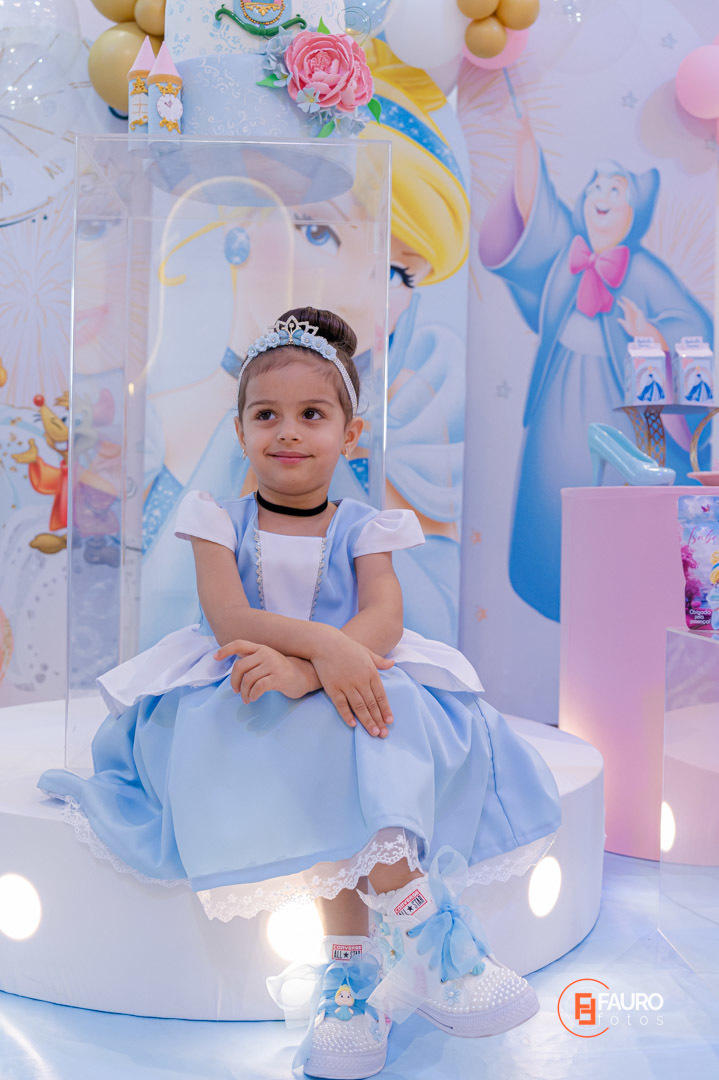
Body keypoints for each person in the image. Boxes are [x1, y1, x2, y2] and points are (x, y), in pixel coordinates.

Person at [37, 306, 561, 1080]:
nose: (287, 432)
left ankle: (383, 959)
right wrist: (316, 656)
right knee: (315, 736)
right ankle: (402, 953)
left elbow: (381, 617)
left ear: (350, 434)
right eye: (265, 415)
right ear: (240, 429)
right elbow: (230, 618)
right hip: (247, 675)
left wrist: (315, 672)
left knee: (374, 724)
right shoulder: (217, 520)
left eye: (311, 415)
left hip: (339, 674)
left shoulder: (365, 525)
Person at [479, 115, 712, 623]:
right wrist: (526, 151)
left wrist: (650, 333)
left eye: (615, 189)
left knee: (612, 507)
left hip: (618, 404)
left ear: (634, 210)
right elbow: (536, 216)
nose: (601, 196)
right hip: (559, 400)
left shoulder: (645, 273)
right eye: (595, 187)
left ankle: (616, 605)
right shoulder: (568, 255)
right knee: (554, 490)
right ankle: (546, 582)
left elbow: (690, 327)